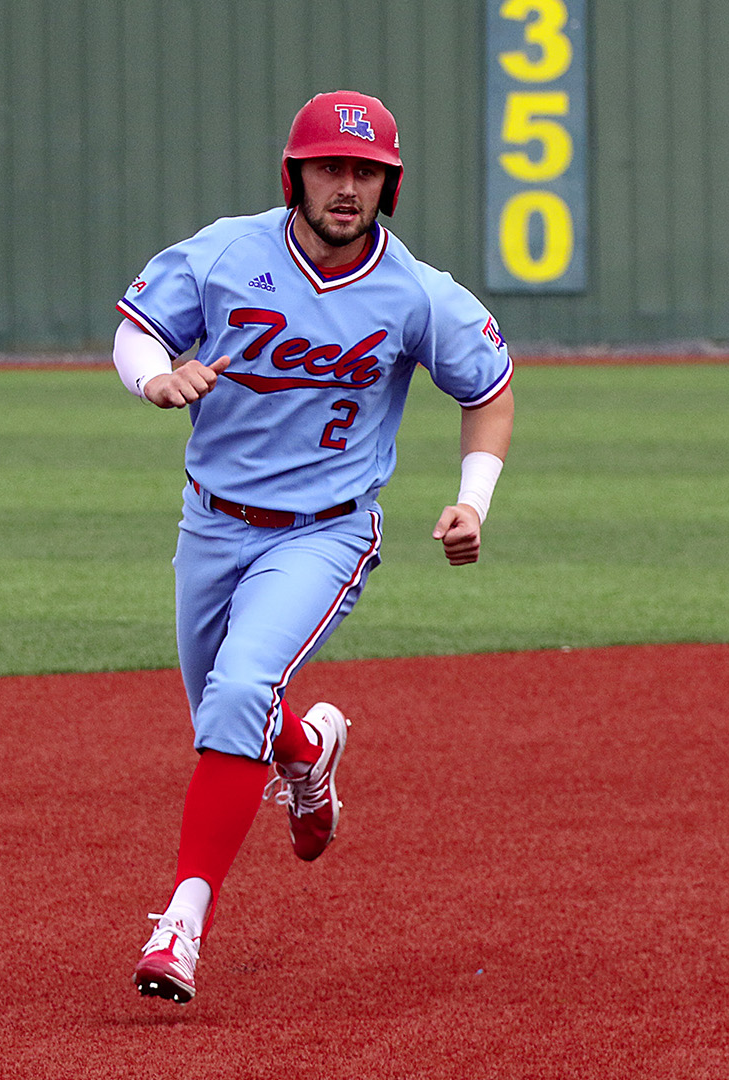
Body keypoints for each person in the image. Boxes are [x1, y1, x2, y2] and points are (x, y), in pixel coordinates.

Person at [112, 90, 515, 1004]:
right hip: (212, 524)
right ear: (295, 175)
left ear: (390, 186)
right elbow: (137, 330)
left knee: (242, 689)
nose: (348, 186)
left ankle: (181, 922)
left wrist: (472, 501)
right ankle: (308, 750)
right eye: (331, 166)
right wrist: (155, 379)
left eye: (366, 171)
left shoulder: (415, 292)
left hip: (325, 531)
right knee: (231, 717)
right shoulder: (224, 253)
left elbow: (488, 387)